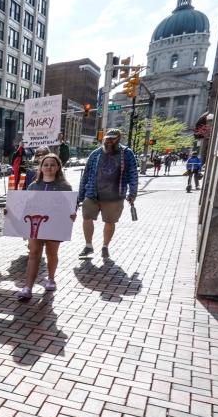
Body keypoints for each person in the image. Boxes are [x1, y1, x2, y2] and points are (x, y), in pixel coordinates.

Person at [15, 153, 76, 300]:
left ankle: (51, 278)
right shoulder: (33, 185)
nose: (49, 167)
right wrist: (12, 211)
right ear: (41, 167)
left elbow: (71, 206)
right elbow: (26, 206)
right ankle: (28, 287)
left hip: (55, 226)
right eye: (46, 164)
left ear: (58, 167)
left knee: (51, 253)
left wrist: (72, 214)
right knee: (34, 253)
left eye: (52, 164)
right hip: (35, 226)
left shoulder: (64, 186)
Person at [77, 128, 138, 259]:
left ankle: (105, 247)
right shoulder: (95, 153)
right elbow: (86, 175)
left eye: (112, 138)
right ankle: (88, 246)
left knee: (110, 222)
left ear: (119, 139)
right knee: (87, 218)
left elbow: (133, 173)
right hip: (92, 193)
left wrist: (133, 193)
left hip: (114, 196)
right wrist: (80, 196)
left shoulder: (127, 154)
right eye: (107, 138)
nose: (109, 141)